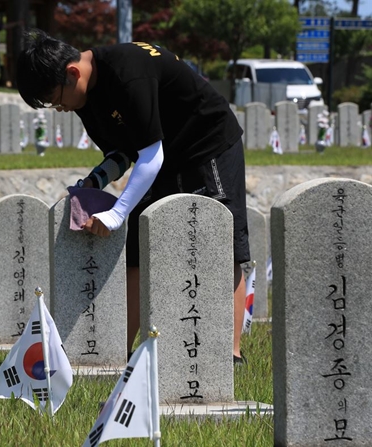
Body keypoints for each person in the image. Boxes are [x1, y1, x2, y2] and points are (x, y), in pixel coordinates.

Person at [17, 30, 249, 365]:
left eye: (56, 100)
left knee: (223, 242)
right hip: (163, 151)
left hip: (207, 142)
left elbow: (150, 155)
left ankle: (231, 354)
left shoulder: (127, 72)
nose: (61, 109)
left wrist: (117, 212)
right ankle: (119, 349)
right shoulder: (84, 95)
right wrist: (97, 179)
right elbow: (123, 150)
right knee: (138, 246)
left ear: (72, 73)